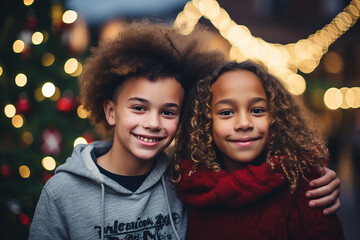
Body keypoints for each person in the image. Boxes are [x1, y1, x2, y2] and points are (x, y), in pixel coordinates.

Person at [28, 20, 222, 240]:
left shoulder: (182, 180)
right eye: (139, 108)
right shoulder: (62, 193)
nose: (153, 123)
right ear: (111, 112)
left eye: (168, 112)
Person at [173, 61, 344, 239]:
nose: (244, 123)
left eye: (257, 110)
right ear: (204, 122)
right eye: (226, 112)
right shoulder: (181, 186)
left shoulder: (308, 192)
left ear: (276, 117)